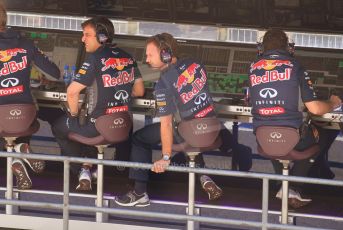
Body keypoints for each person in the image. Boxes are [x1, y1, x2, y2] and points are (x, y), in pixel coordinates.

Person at [114, 33, 247, 207]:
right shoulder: (196, 63)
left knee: (140, 139)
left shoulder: (163, 85)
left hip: (189, 131)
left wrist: (166, 157)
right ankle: (204, 176)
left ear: (165, 54)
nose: (146, 60)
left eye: (150, 55)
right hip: (211, 128)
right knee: (187, 128)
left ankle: (139, 192)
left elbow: (166, 124)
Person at [248, 29, 342, 208]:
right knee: (321, 135)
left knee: (277, 142)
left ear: (261, 48)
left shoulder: (252, 67)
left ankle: (282, 185)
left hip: (263, 137)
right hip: (293, 136)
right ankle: (295, 187)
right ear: (288, 48)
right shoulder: (296, 66)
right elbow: (314, 108)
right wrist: (332, 102)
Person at [52, 16, 144, 191]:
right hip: (122, 127)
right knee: (85, 123)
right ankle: (89, 167)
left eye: (87, 35)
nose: (82, 39)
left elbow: (72, 92)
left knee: (61, 126)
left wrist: (73, 115)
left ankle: (82, 171)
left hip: (97, 128)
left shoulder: (94, 58)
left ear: (102, 37)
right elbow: (139, 91)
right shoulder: (128, 58)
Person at [0, 3, 61, 189]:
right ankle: (20, 151)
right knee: (14, 131)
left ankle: (16, 155)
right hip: (25, 115)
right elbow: (54, 74)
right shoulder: (26, 44)